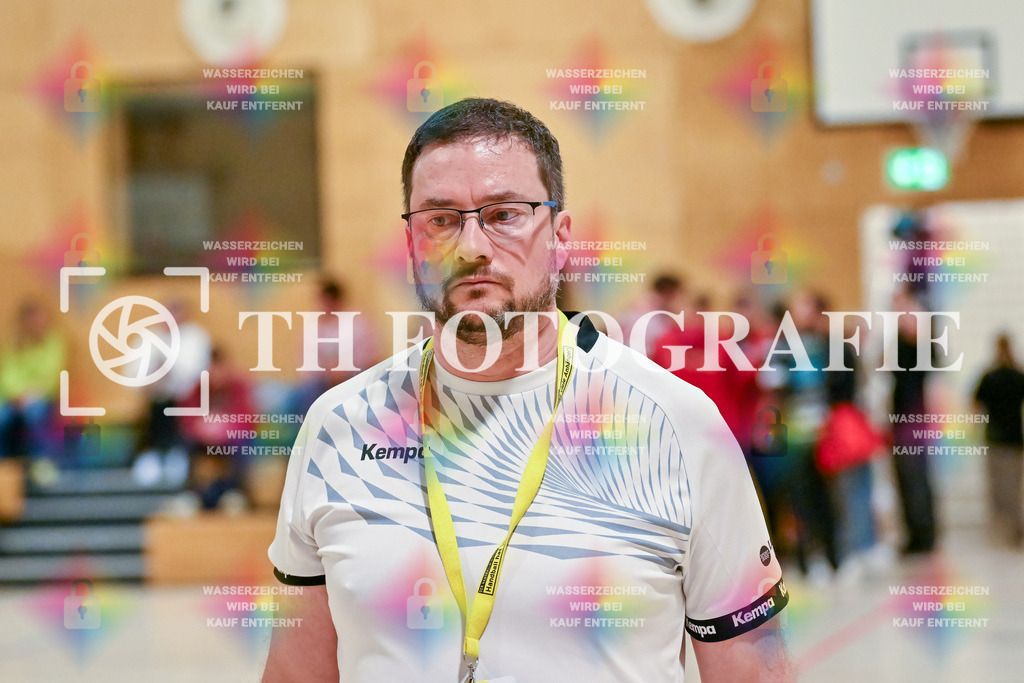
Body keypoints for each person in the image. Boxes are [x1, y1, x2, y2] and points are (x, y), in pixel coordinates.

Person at [263, 98, 792, 682]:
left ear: (561, 237)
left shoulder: (678, 423)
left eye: (504, 214)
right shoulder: (337, 425)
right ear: (412, 245)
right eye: (440, 219)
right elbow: (295, 670)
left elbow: (753, 666)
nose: (471, 246)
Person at [973, 333, 1024, 548]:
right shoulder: (1018, 375)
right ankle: (1014, 526)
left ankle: (1005, 527)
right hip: (1014, 439)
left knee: (999, 488)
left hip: (995, 438)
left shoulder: (989, 376)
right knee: (1014, 487)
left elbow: (975, 404)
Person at [0, 300, 66, 459]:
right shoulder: (14, 344)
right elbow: (7, 374)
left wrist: (31, 396)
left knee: (34, 416)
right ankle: (5, 466)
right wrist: (17, 395)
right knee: (2, 417)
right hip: (13, 399)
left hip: (43, 398)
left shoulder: (55, 343)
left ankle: (41, 461)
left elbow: (53, 377)